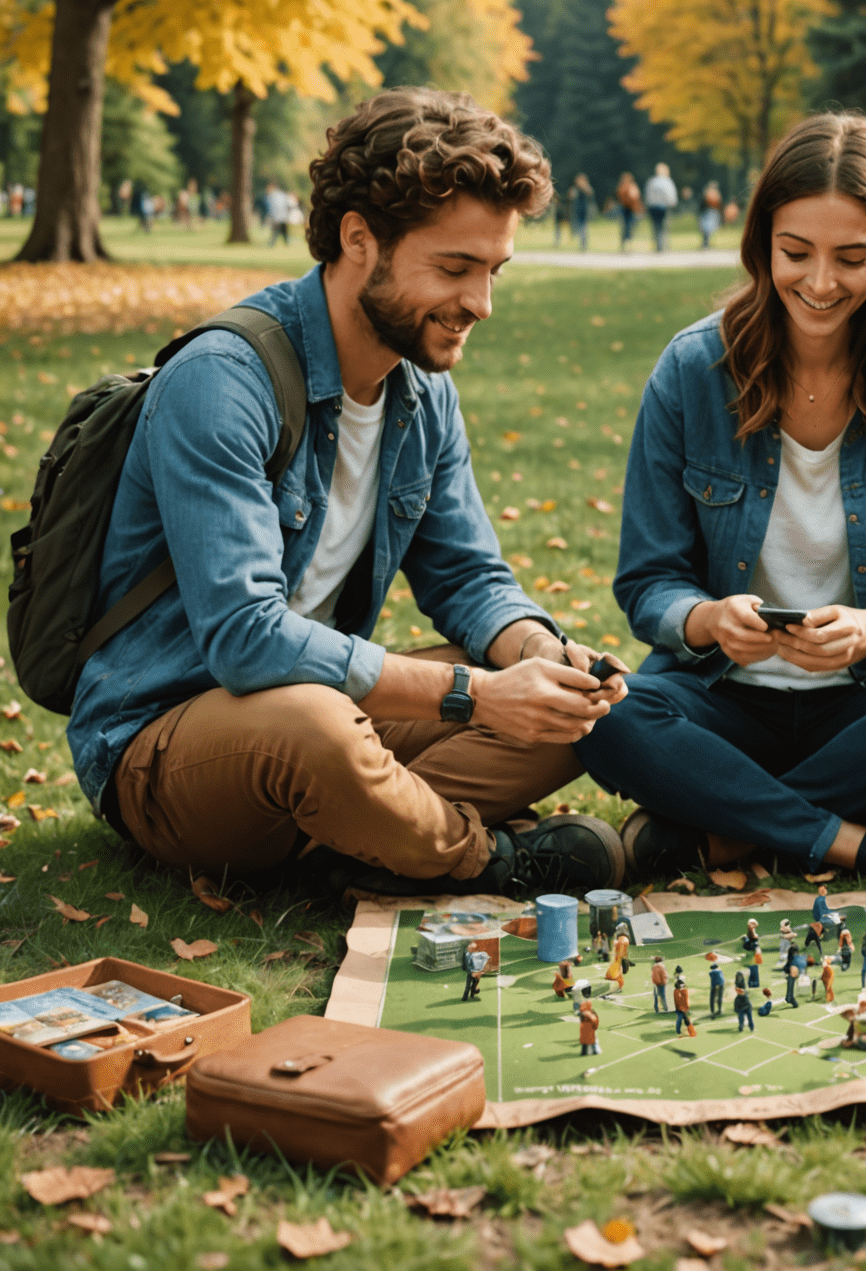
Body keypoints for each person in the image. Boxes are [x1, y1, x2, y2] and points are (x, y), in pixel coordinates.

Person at [68, 88, 630, 903]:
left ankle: (363, 842)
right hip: (170, 741)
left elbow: (470, 578)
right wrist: (475, 694)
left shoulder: (420, 391)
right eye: (455, 268)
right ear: (359, 240)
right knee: (317, 727)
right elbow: (247, 641)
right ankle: (477, 859)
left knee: (570, 710)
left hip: (317, 714)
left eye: (493, 270)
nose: (481, 303)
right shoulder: (223, 382)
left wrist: (540, 658)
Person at [577, 113, 866, 889]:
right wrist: (707, 621)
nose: (821, 283)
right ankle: (854, 846)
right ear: (762, 243)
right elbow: (648, 581)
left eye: (853, 258)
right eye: (796, 253)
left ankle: (722, 827)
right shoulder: (692, 370)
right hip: (720, 702)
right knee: (612, 712)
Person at [644, 162, 678, 251]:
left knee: (656, 226)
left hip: (653, 207)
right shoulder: (667, 182)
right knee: (664, 226)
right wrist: (672, 203)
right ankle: (662, 245)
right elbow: (671, 196)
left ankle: (658, 245)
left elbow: (648, 195)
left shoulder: (652, 181)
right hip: (664, 207)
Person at [616, 172, 641, 249]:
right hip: (630, 208)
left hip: (624, 208)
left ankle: (625, 242)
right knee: (629, 225)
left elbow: (619, 197)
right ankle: (628, 241)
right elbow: (636, 196)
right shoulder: (632, 186)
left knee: (625, 226)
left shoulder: (621, 187)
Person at [570, 174, 594, 252]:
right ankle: (582, 243)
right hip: (577, 210)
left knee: (583, 227)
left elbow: (590, 193)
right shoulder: (575, 189)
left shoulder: (586, 188)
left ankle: (583, 245)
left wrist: (584, 186)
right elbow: (571, 197)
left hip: (584, 210)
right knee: (578, 227)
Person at [699, 181, 723, 250]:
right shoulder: (707, 193)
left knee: (709, 229)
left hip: (712, 212)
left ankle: (706, 243)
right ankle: (706, 243)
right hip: (707, 212)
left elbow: (718, 203)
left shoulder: (714, 194)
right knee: (706, 229)